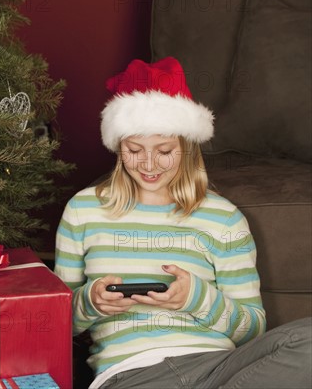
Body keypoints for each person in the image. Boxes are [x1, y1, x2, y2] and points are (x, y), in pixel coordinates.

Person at [54, 57, 311, 389]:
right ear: (119, 146)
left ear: (186, 148)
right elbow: (55, 325)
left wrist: (197, 298)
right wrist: (90, 302)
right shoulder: (84, 210)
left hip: (219, 367)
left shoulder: (224, 218)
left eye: (164, 151)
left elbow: (252, 329)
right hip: (134, 374)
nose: (149, 165)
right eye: (135, 150)